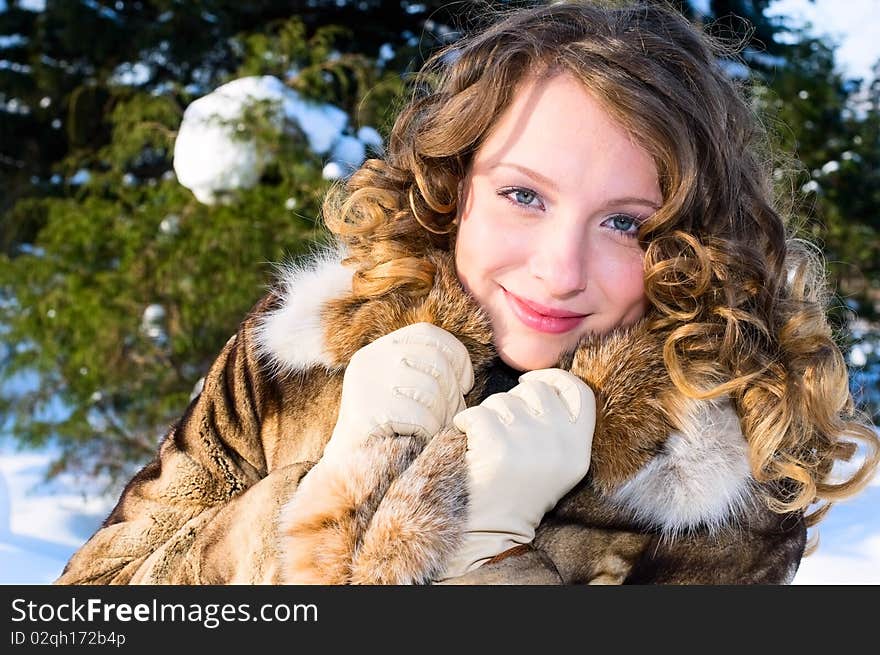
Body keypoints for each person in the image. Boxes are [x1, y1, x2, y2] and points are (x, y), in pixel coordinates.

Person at [56, 0, 879, 585]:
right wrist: (323, 495)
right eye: (525, 195)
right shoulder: (298, 356)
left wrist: (486, 557)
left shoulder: (716, 498)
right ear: (453, 187)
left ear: (693, 249)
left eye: (625, 224)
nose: (559, 270)